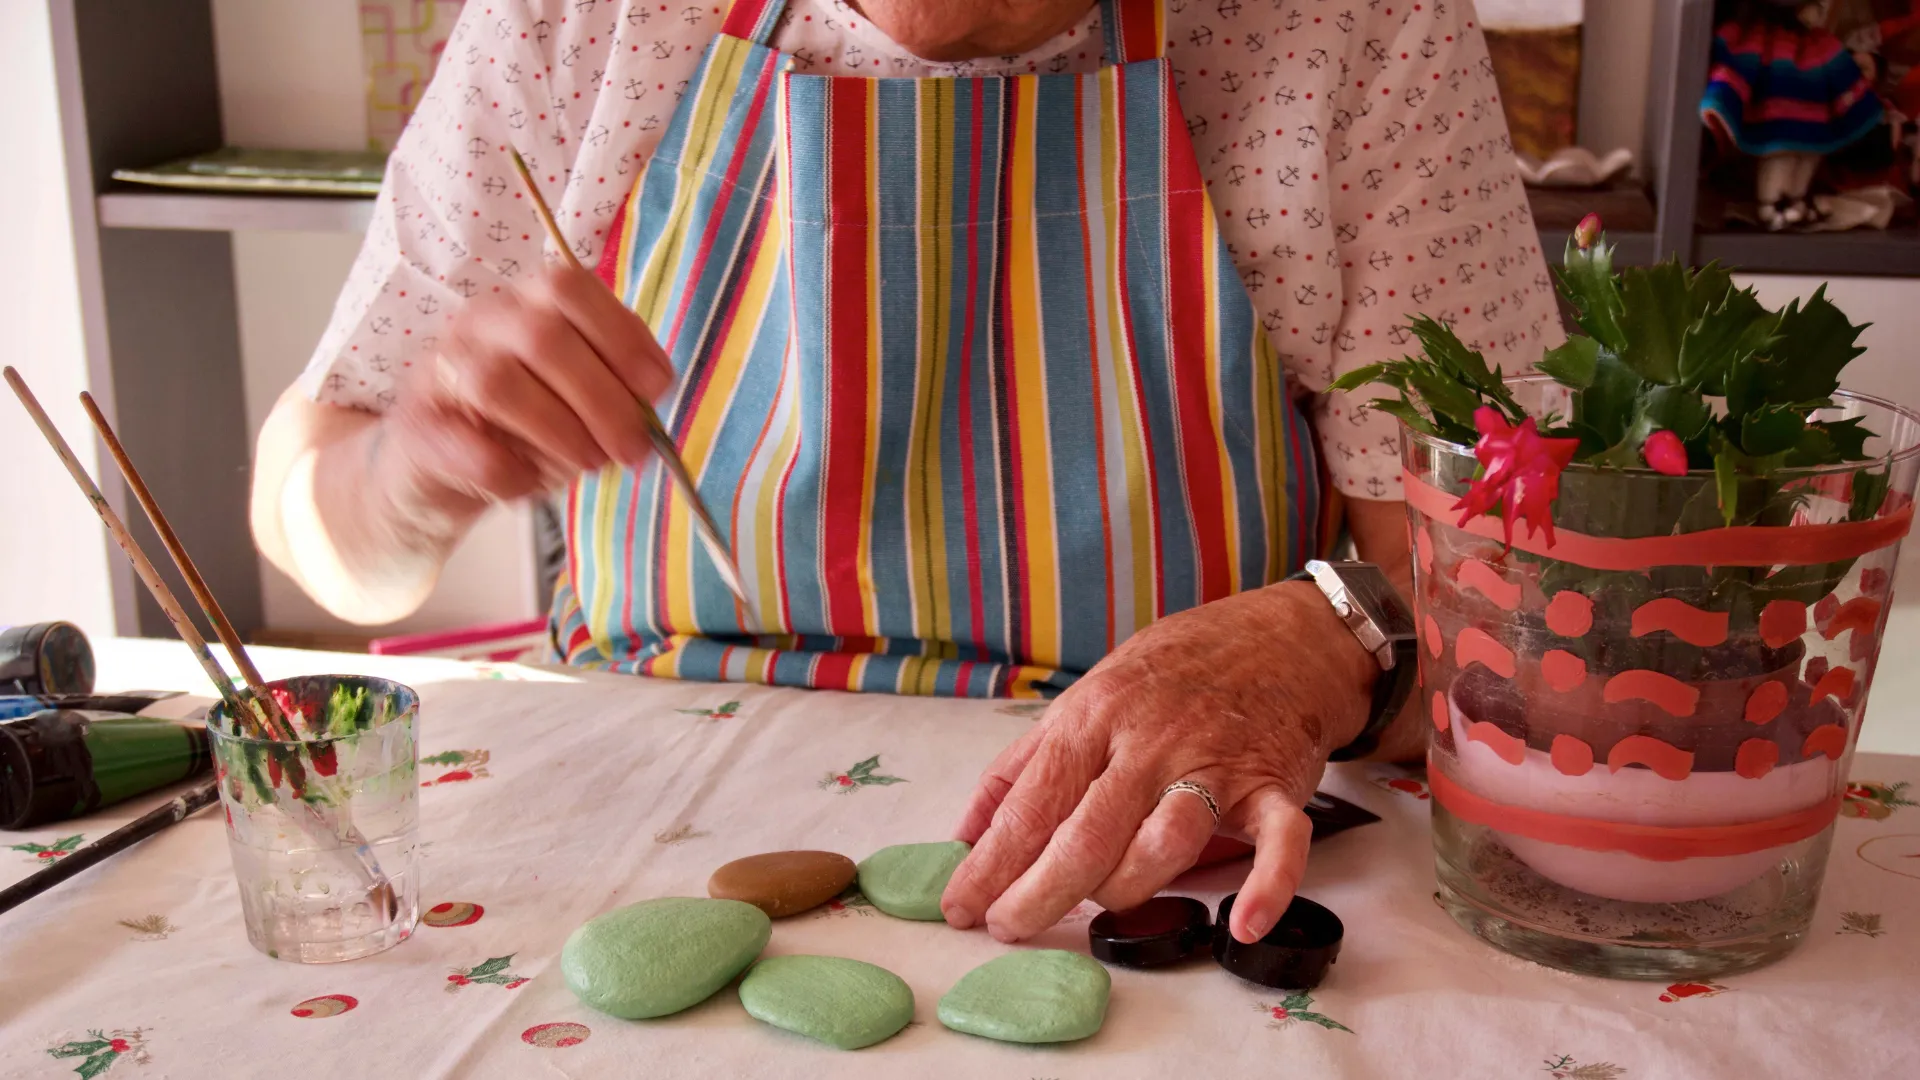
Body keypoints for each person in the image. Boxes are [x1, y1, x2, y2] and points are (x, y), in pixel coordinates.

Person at [252, 0, 1560, 947]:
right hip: (637, 845)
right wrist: (405, 475)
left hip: (1165, 855)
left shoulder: (1352, 27)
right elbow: (315, 521)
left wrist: (1328, 643)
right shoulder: (580, 19)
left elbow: (1530, 605)